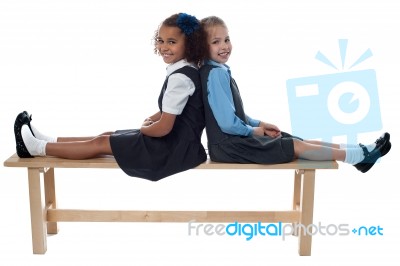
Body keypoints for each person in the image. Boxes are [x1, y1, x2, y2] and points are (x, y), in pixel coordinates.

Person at [14, 13, 208, 181]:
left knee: (101, 143)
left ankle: (35, 148)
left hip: (172, 151)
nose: (164, 46)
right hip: (177, 144)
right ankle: (49, 141)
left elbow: (164, 127)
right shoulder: (185, 69)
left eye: (171, 42)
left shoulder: (181, 77)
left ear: (189, 45)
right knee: (106, 136)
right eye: (160, 40)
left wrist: (143, 129)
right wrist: (153, 118)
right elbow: (174, 110)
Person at [199, 16, 391, 173]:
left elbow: (233, 114)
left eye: (227, 39)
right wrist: (254, 131)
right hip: (229, 147)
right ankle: (360, 156)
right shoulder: (215, 74)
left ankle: (359, 152)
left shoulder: (219, 71)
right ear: (202, 48)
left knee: (297, 141)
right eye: (216, 42)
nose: (224, 46)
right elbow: (226, 123)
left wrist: (259, 124)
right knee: (295, 146)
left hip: (233, 143)